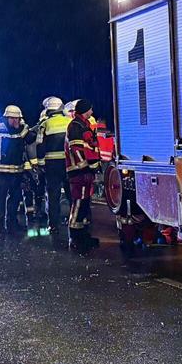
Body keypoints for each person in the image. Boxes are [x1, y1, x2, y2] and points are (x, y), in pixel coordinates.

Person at [0, 105, 35, 234]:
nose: (15, 121)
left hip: (17, 170)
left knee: (15, 198)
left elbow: (31, 139)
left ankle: (12, 223)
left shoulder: (21, 129)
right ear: (6, 118)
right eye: (13, 118)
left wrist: (25, 127)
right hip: (0, 170)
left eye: (17, 119)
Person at [65, 99, 101, 253]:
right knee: (79, 202)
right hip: (79, 172)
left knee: (85, 203)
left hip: (85, 171)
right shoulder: (75, 126)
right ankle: (75, 236)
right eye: (90, 110)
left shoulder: (82, 124)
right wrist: (85, 168)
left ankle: (84, 235)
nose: (92, 112)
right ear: (85, 110)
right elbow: (77, 149)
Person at [36, 96, 70, 234]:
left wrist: (41, 164)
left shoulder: (45, 124)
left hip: (52, 165)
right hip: (68, 164)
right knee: (70, 194)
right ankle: (75, 221)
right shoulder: (69, 122)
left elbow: (39, 145)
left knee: (53, 196)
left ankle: (53, 225)